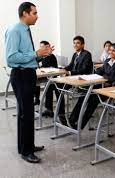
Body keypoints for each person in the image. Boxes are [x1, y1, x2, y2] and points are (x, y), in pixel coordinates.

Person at [5, 2, 53, 163]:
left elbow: (28, 56)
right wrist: (35, 53)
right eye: (34, 13)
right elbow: (11, 58)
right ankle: (26, 151)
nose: (37, 16)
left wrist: (42, 54)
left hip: (29, 74)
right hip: (21, 75)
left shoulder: (25, 30)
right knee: (25, 114)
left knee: (27, 113)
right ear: (25, 13)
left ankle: (27, 146)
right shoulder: (14, 30)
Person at [68, 43, 115, 129]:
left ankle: (80, 125)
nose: (110, 52)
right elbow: (100, 71)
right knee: (84, 95)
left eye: (113, 51)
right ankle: (72, 119)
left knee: (93, 100)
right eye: (110, 50)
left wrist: (106, 78)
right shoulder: (107, 61)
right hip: (102, 85)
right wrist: (93, 75)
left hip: (113, 87)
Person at [57, 36, 94, 126]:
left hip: (82, 80)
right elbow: (70, 66)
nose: (75, 45)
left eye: (77, 43)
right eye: (74, 43)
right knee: (57, 86)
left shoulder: (87, 54)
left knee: (63, 89)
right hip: (73, 79)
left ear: (83, 45)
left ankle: (71, 118)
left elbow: (84, 70)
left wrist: (69, 72)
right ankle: (61, 113)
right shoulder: (75, 54)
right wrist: (62, 69)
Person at [34, 41, 58, 111]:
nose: (41, 49)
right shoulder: (42, 56)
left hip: (51, 77)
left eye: (42, 47)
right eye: (40, 47)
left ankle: (49, 109)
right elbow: (36, 62)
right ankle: (37, 98)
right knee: (34, 80)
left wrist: (41, 67)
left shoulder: (51, 56)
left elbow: (47, 67)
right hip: (44, 75)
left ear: (47, 47)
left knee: (49, 86)